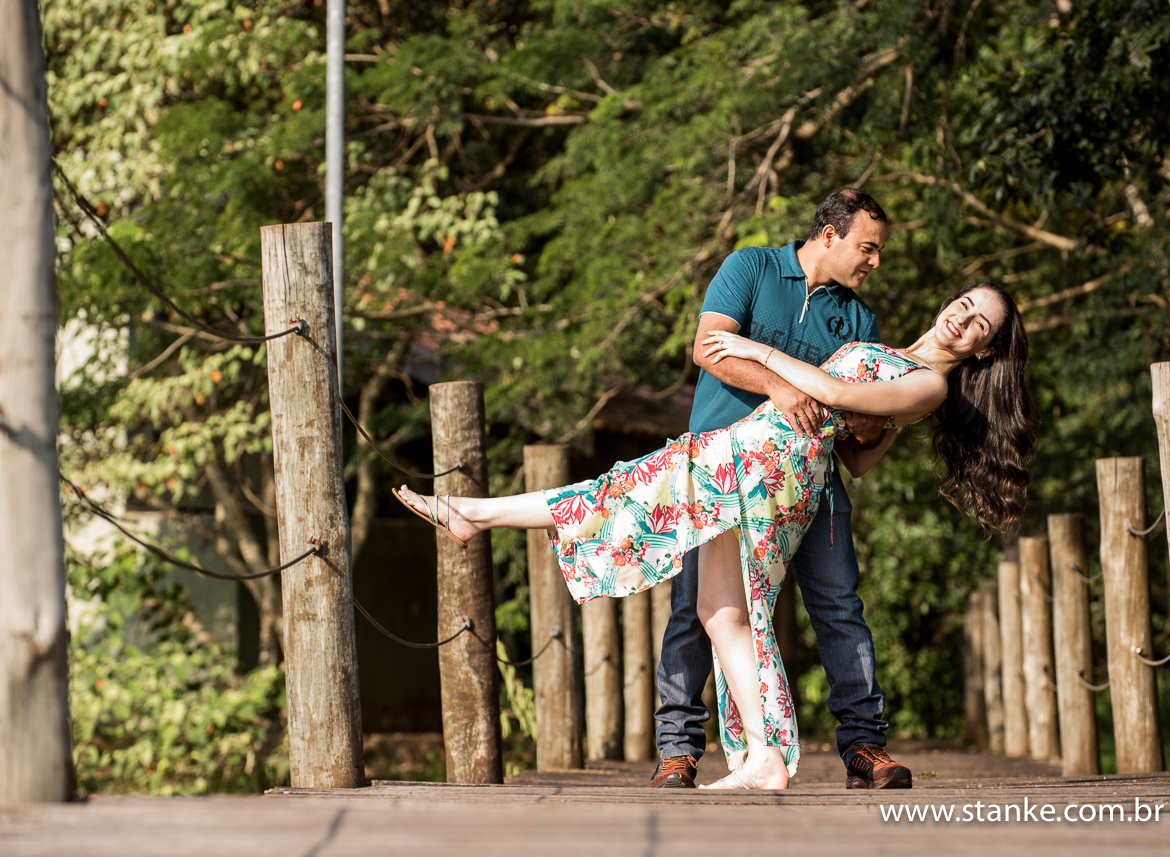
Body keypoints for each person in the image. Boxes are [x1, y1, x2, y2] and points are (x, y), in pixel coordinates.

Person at [393, 280, 1037, 791]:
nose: (963, 318)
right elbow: (861, 458)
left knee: (628, 500)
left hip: (770, 465)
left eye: (980, 323)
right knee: (719, 606)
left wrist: (759, 352)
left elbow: (836, 390)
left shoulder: (930, 384)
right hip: (759, 452)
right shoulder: (900, 360)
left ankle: (472, 514)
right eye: (965, 304)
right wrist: (854, 421)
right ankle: (764, 756)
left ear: (983, 349)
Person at [655, 187, 901, 792]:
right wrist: (779, 388)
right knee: (694, 608)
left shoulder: (858, 320)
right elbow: (708, 346)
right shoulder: (751, 267)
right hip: (721, 473)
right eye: (867, 248)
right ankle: (677, 751)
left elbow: (857, 443)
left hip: (811, 486)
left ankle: (865, 747)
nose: (874, 262)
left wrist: (880, 420)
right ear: (828, 235)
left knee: (841, 606)